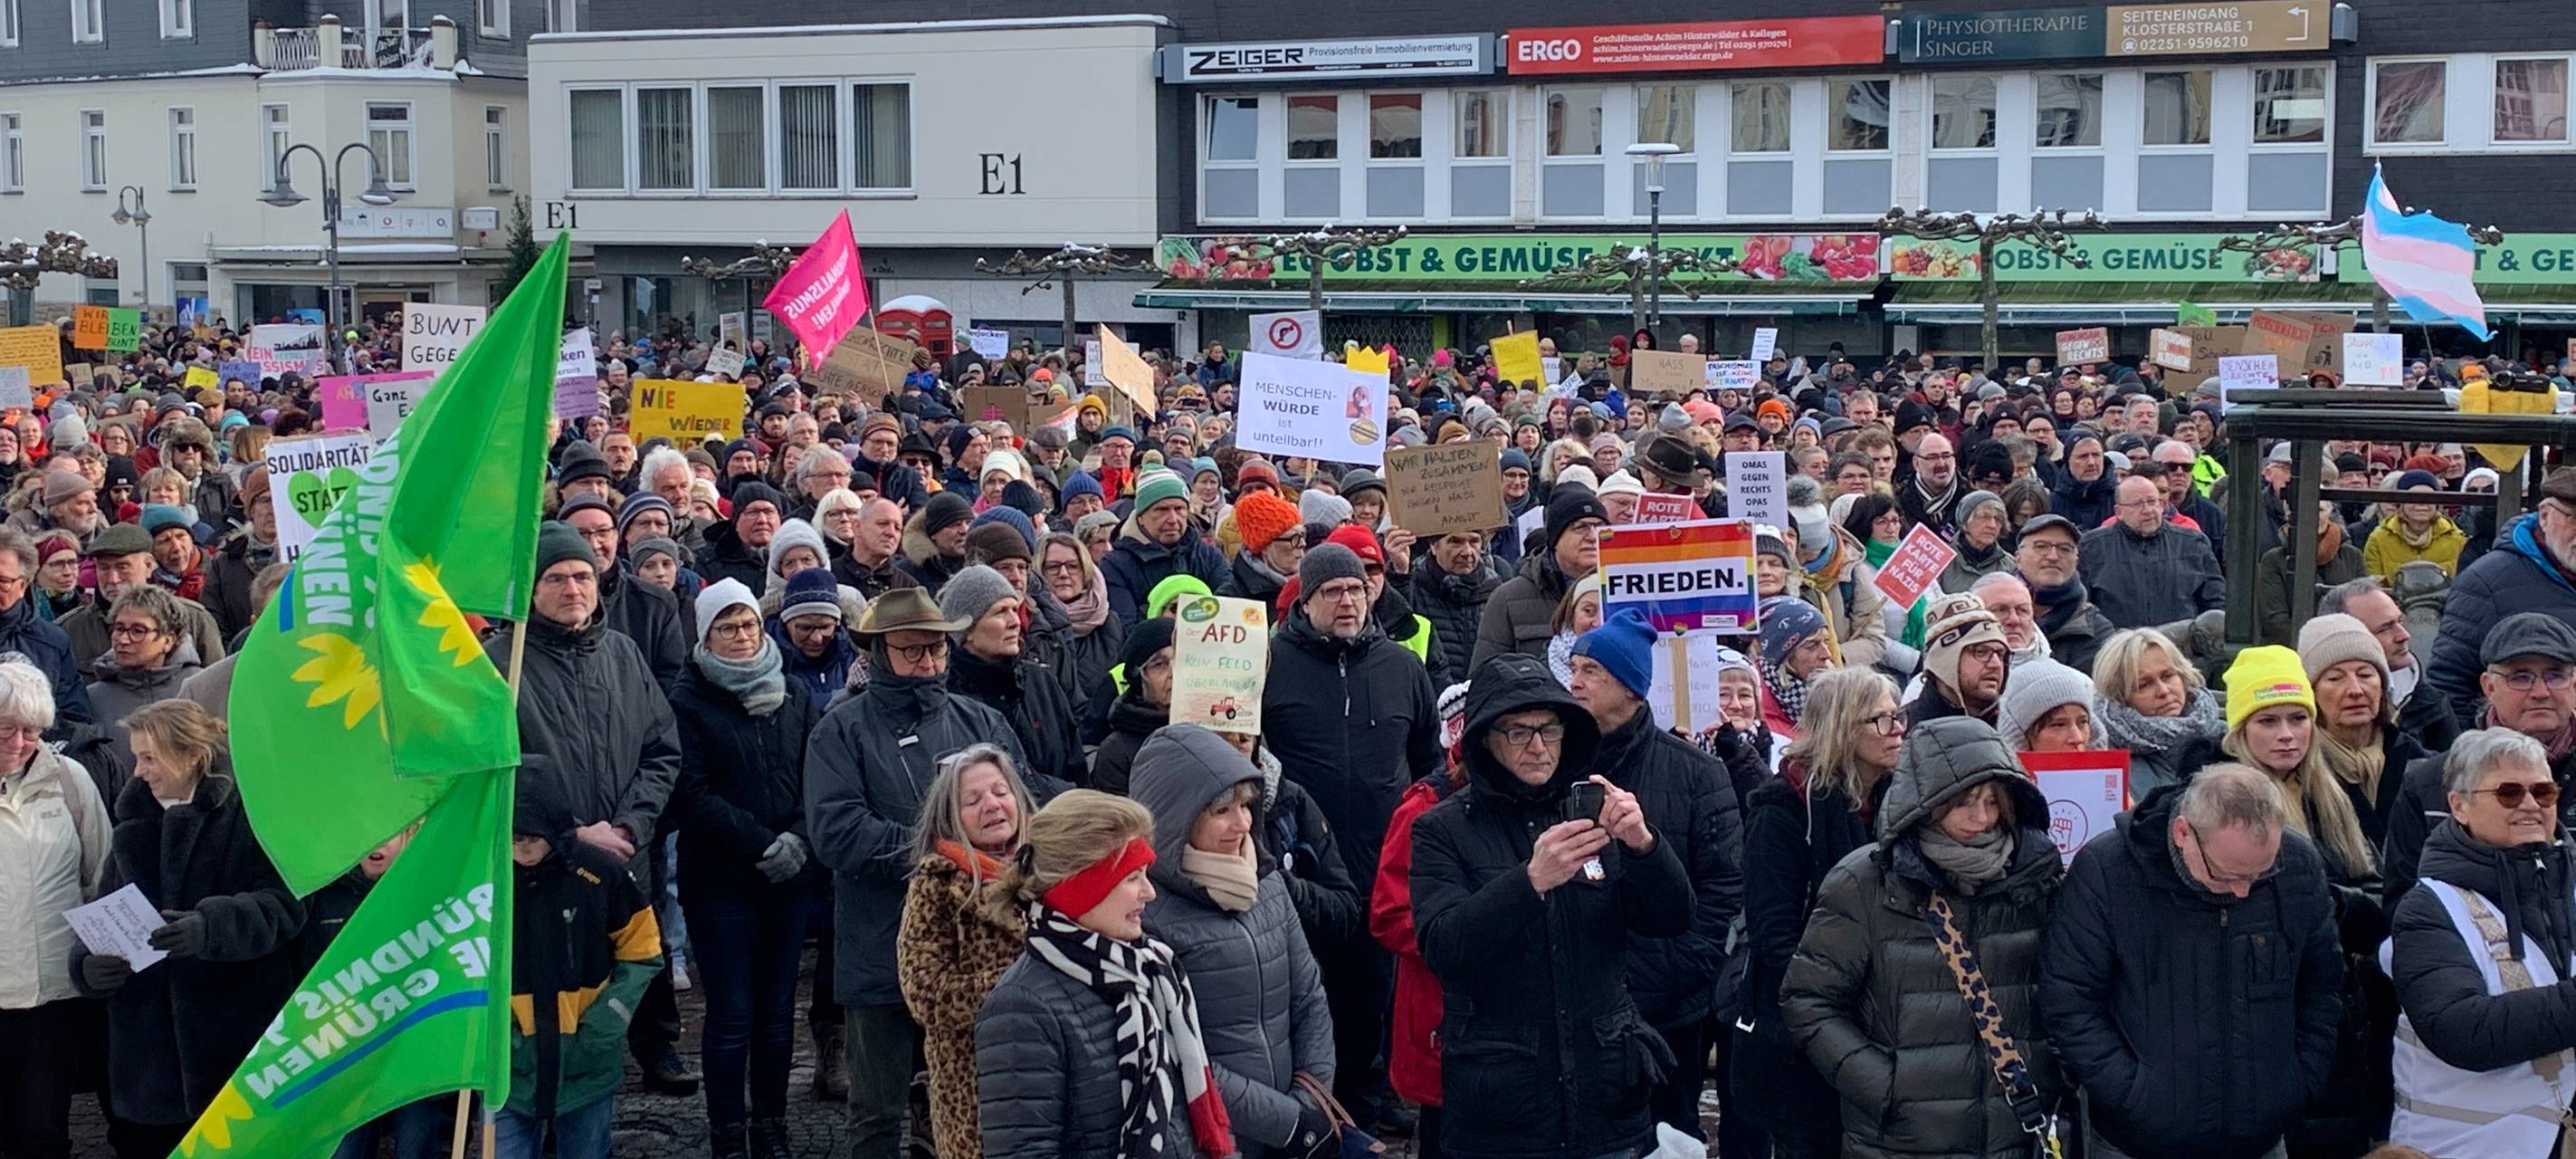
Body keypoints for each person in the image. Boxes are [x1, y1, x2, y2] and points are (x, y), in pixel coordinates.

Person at [1409, 653, 1692, 1159]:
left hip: (1607, 1092)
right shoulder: (1442, 829)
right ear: (1485, 741)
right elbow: (1443, 946)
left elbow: (1671, 918)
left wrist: (1644, 846)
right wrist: (1529, 883)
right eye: (1519, 732)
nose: (1539, 748)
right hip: (1503, 1106)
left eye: (1550, 730)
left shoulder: (1592, 813)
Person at [806, 589, 1032, 1159]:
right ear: (880, 653)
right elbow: (836, 830)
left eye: (936, 650)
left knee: (972, 1103)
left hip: (975, 952)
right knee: (877, 1112)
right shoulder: (842, 728)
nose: (928, 663)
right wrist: (939, 854)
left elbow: (1025, 801)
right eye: (912, 652)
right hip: (878, 944)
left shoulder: (979, 718)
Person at [1781, 717, 2067, 1158]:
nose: (1982, 817)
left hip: (2013, 1132)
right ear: (1926, 802)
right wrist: (1886, 1085)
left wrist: (2052, 1077)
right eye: (1963, 802)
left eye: (1993, 801)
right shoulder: (1865, 883)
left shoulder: (2036, 879)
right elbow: (1808, 1000)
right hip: (1902, 1142)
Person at [2039, 763, 2343, 1159]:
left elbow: (2322, 986)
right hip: (2136, 1142)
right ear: (2183, 833)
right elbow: (2070, 1002)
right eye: (2227, 874)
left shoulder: (2298, 865)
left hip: (2263, 1137)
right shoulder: (2107, 870)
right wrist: (2134, 1095)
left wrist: (2295, 1083)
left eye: (2261, 874)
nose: (2242, 891)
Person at [501, 522, 689, 1092]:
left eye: (582, 575)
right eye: (555, 578)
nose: (572, 588)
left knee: (641, 948)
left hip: (629, 847)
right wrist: (574, 834)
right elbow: (499, 774)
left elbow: (661, 751)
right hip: (550, 863)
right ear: (531, 591)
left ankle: (657, 1046)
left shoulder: (624, 654)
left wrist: (631, 825)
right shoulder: (499, 666)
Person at [72, 700, 304, 1159]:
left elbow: (284, 906)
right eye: (137, 756)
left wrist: (208, 927)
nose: (138, 771)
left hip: (231, 1040)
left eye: (149, 757)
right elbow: (102, 909)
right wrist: (87, 965)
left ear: (192, 754)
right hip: (148, 1060)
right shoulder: (131, 825)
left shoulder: (250, 814)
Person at [1261, 541, 1439, 1123]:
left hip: (1381, 855)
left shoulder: (1402, 668)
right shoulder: (1268, 664)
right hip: (1302, 861)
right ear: (1305, 601)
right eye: (1332, 591)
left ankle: (1368, 1091)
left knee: (1375, 982)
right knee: (1309, 986)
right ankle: (1313, 1097)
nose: (1348, 601)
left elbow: (1427, 758)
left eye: (1357, 589)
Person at [974, 790, 1237, 1159]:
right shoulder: (1021, 1008)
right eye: (1133, 878)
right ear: (1081, 888)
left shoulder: (1152, 971)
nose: (1149, 893)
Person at [1568, 609, 1745, 1144]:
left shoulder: (1697, 772)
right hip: (1580, 1000)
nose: (1574, 682)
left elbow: (1723, 885)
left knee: (1671, 1137)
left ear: (1632, 686)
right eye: (1573, 668)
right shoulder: (1555, 763)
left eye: (1592, 672)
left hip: (1670, 1010)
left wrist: (1681, 967)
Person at [665, 580, 825, 1159]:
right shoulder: (687, 700)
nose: (741, 636)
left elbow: (816, 773)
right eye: (728, 627)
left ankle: (773, 1126)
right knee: (732, 1012)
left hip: (790, 876)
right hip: (721, 881)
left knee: (778, 1012)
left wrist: (800, 839)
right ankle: (728, 1131)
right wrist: (763, 843)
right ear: (707, 635)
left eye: (750, 624)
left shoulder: (794, 694)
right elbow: (692, 792)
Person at [1131, 725, 1338, 1159]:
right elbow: (1176, 1050)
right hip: (1209, 1139)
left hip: (1296, 1131)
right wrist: (1288, 1121)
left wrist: (1311, 1101)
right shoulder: (1144, 913)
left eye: (1245, 805)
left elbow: (1309, 999)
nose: (1242, 823)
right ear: (1174, 816)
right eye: (1221, 809)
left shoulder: (1269, 887)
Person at [1736, 666, 1906, 1158]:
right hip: (1807, 1038)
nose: (1897, 730)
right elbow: (1776, 936)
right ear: (1842, 728)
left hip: (1887, 1024)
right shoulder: (1783, 809)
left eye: (1898, 717)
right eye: (1881, 720)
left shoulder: (1901, 803)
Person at [2383, 728, 2576, 1156]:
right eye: (2509, 793)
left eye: (2543, 792)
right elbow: (2462, 1030)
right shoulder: (2427, 906)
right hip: (2460, 1146)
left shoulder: (2571, 887)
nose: (2530, 805)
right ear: (2459, 806)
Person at [498, 761, 664, 1159]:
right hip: (507, 1065)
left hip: (586, 1061)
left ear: (555, 828)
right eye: (514, 837)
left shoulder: (601, 873)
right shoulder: (487, 879)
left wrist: (608, 1020)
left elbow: (644, 951)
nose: (522, 849)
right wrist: (496, 1029)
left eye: (532, 839)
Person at [897, 744, 1038, 1159]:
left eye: (1000, 791)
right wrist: (1021, 985)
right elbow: (925, 994)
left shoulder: (1053, 867)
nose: (992, 806)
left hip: (1053, 1072)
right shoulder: (937, 885)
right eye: (972, 801)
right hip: (976, 1087)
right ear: (950, 816)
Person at [2381, 613, 2576, 909]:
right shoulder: (2429, 784)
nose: (2540, 692)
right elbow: (2403, 907)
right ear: (2488, 686)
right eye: (2520, 677)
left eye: (2555, 675)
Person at [0, 660, 108, 1159]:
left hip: (53, 999)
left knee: (41, 1134)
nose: (19, 743)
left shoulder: (70, 780)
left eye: (31, 731)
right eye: (6, 729)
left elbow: (101, 875)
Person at [2425, 468, 2576, 730]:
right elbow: (2449, 686)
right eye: (2575, 519)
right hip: (2519, 757)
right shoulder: (2486, 583)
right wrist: (2478, 759)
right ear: (2544, 516)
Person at [940, 563, 1087, 787]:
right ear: (966, 630)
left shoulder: (1042, 681)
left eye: (1014, 610)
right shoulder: (947, 698)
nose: (1015, 622)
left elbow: (1075, 766)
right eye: (1000, 612)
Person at [2299, 612, 2428, 851]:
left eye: (2366, 675)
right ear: (2311, 692)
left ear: (2382, 687)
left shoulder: (2419, 763)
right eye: (2335, 678)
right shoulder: (2297, 773)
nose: (2355, 690)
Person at [2320, 576, 2457, 753]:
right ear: (2343, 640)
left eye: (2400, 621)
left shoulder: (2432, 703)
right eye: (2385, 628)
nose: (2404, 635)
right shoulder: (2304, 712)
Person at [1473, 488, 1603, 668]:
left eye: (1600, 527)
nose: (1593, 536)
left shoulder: (1624, 594)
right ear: (1555, 539)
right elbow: (1485, 678)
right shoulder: (1507, 599)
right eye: (1581, 528)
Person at [2090, 627, 2225, 796]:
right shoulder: (2105, 759)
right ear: (2119, 697)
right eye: (2144, 685)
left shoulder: (2228, 740)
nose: (2163, 691)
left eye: (2168, 676)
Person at [85, 586, 203, 776]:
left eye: (138, 631)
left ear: (168, 640)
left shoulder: (199, 686)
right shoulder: (93, 698)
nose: (123, 640)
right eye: (119, 628)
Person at [2078, 476, 2225, 628]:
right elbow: (2084, 608)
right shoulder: (2092, 546)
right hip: (2117, 646)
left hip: (2180, 646)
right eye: (2137, 504)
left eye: (2152, 502)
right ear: (2119, 512)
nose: (2148, 510)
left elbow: (2216, 602)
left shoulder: (2193, 543)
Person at [1100, 473, 1229, 625]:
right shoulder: (1116, 565)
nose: (1173, 520)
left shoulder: (1209, 555)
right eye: (1162, 510)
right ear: (1140, 517)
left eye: (1179, 509)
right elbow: (1125, 626)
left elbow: (1229, 610)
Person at [2013, 514, 2114, 675]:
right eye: (2041, 546)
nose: (2053, 556)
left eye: (2064, 549)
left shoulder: (2096, 630)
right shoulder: (1990, 611)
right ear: (2017, 558)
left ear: (2076, 561)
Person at [1089, 618, 1175, 796]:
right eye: (1160, 665)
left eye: (1183, 660)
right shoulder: (1116, 751)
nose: (1174, 673)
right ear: (1140, 677)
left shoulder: (1218, 731)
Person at [1911, 591, 2008, 725]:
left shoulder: (2016, 728)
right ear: (1944, 660)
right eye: (1981, 652)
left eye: (2001, 654)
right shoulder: (1902, 733)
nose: (1996, 664)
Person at [2364, 470, 2467, 582]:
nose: (2421, 504)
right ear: (2401, 502)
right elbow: (2374, 585)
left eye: (2429, 498)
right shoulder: (2379, 539)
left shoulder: (2457, 540)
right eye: (2413, 498)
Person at [1996, 657, 2100, 752]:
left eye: (2083, 722)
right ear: (2021, 736)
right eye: (2058, 725)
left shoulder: (2112, 772)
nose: (2078, 738)